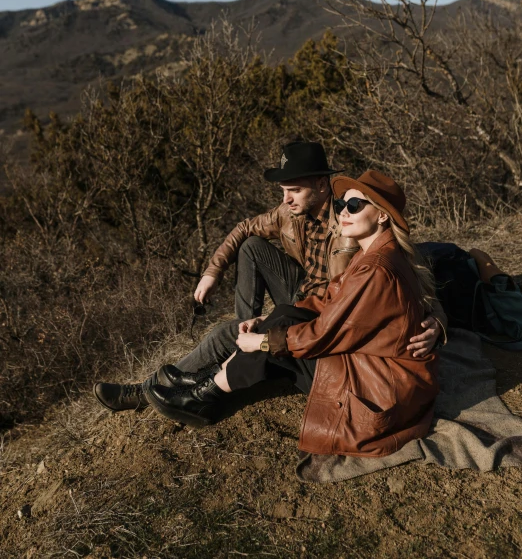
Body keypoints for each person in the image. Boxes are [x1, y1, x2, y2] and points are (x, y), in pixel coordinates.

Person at [94, 143, 446, 412]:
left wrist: (436, 324)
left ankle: (148, 392)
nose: (286, 199)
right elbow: (244, 228)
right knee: (250, 248)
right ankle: (175, 374)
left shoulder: (357, 223)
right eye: (282, 191)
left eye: (294, 190)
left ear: (323, 186)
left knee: (228, 335)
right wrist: (212, 271)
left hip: (327, 314)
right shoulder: (290, 213)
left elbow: (413, 279)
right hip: (306, 296)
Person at [144, 170, 439, 459]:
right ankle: (212, 381)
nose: (344, 212)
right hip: (379, 373)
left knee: (282, 332)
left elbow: (324, 333)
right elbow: (328, 303)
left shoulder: (375, 267)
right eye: (341, 205)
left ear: (383, 215)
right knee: (287, 312)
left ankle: (203, 396)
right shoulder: (373, 254)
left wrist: (262, 342)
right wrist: (263, 324)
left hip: (380, 396)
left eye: (354, 205)